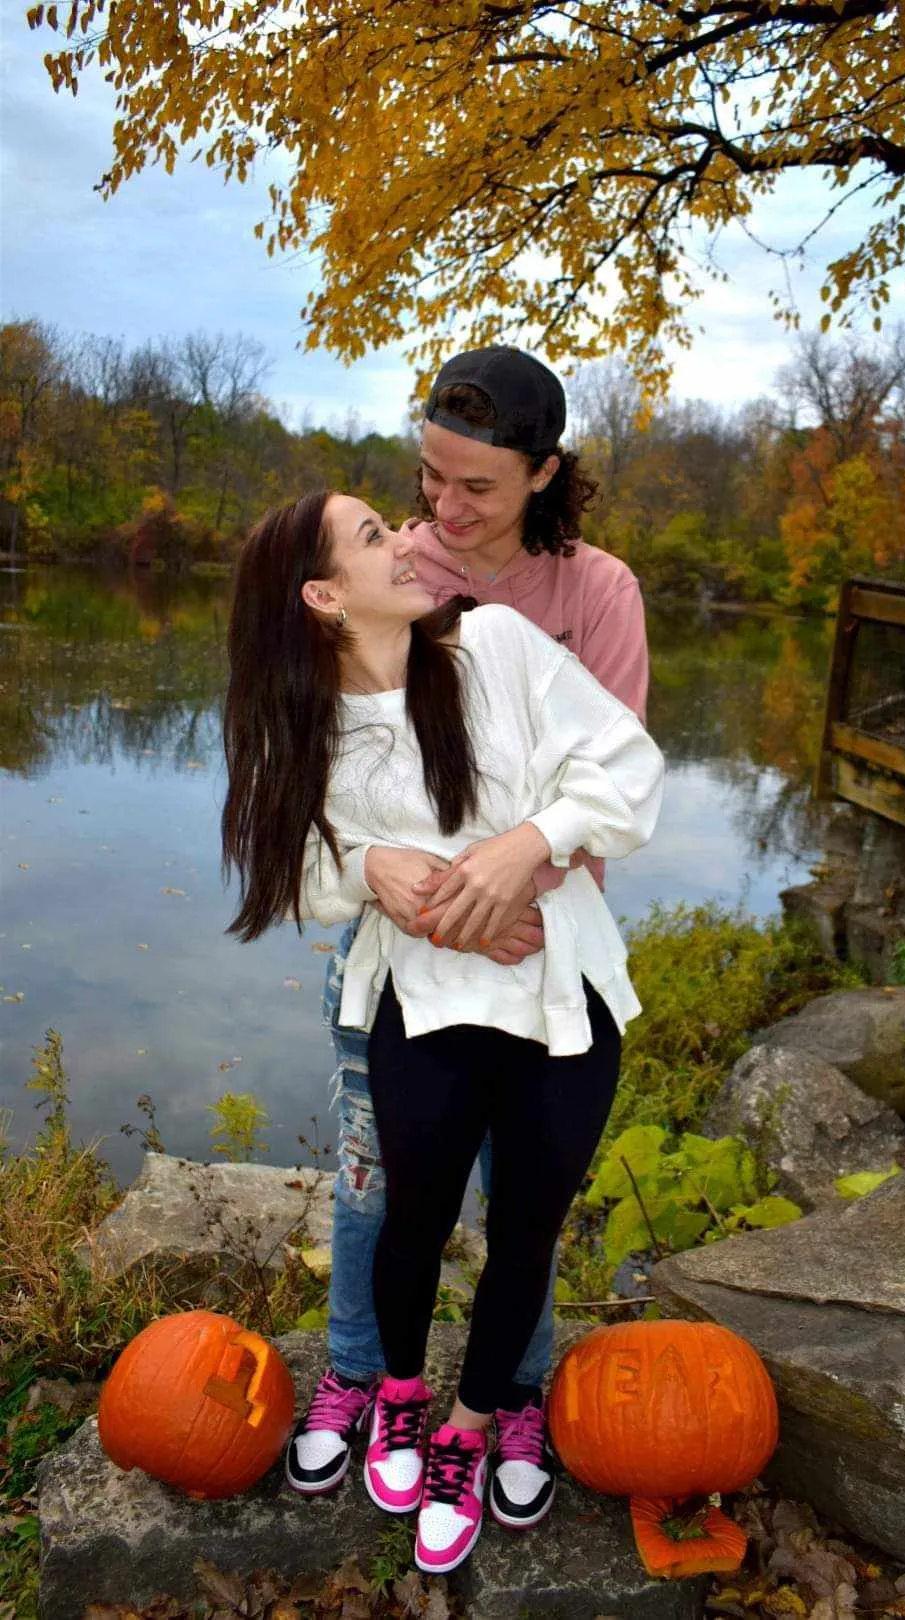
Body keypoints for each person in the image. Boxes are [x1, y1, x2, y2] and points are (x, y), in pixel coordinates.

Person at [222, 482, 664, 1573]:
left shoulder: (497, 649)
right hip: (422, 1014)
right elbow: (286, 874)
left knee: (525, 1230)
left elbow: (627, 767)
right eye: (376, 536)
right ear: (324, 596)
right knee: (408, 1220)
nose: (409, 542)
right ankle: (402, 1396)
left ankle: (471, 1429)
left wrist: (527, 847)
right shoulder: (307, 729)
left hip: (562, 1004)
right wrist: (377, 868)